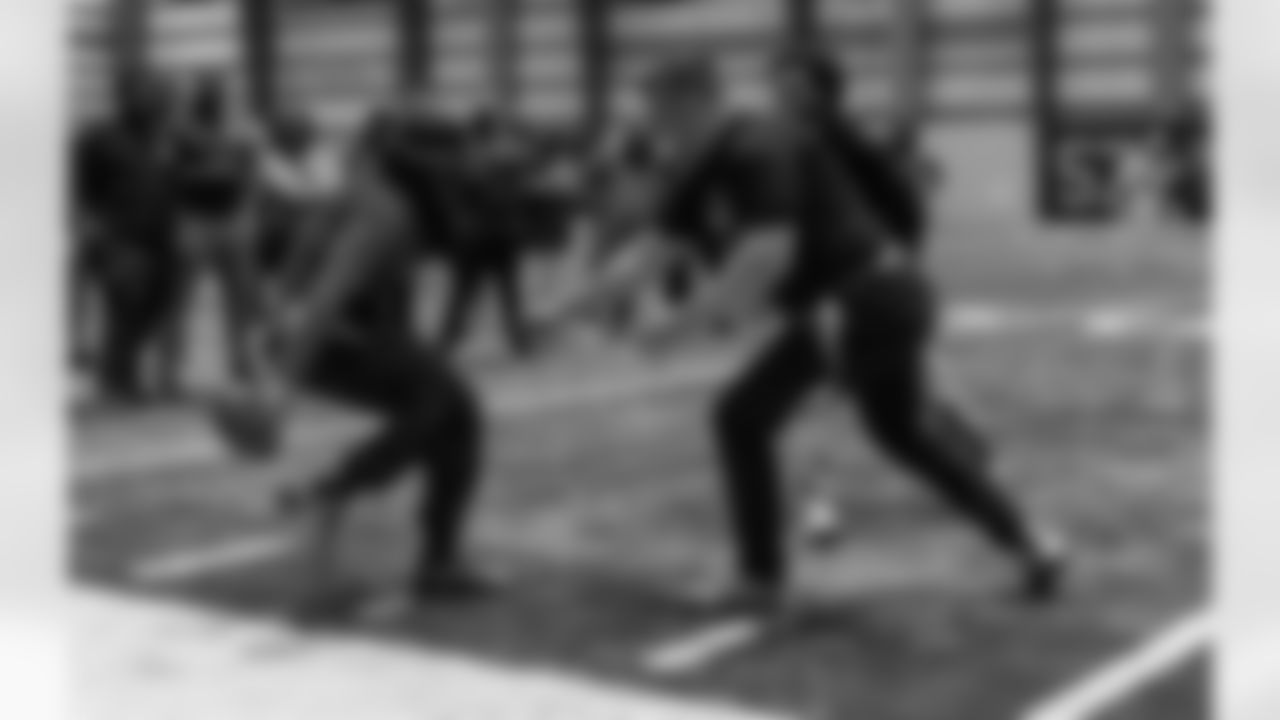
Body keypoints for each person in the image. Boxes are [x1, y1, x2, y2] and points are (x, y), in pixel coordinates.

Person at [543, 51, 1065, 613]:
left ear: (694, 100)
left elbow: (768, 252)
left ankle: (760, 578)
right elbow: (650, 252)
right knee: (900, 433)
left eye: (656, 107)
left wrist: (681, 326)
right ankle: (1030, 542)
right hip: (879, 297)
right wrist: (569, 308)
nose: (649, 121)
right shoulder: (704, 165)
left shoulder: (757, 145)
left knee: (741, 417)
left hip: (860, 299)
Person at [213, 111, 490, 615]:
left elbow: (295, 271)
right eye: (445, 160)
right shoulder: (385, 210)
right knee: (442, 399)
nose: (451, 173)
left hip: (325, 336)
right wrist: (282, 387)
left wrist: (271, 333)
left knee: (454, 413)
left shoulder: (349, 194)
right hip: (335, 339)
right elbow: (328, 293)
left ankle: (434, 558)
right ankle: (332, 488)